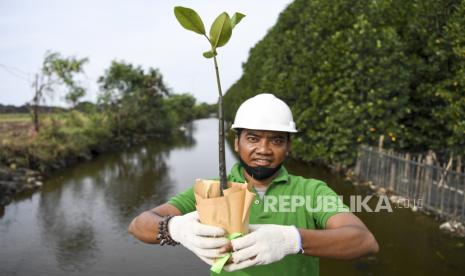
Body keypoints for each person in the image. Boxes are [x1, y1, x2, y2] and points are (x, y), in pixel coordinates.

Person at [128, 93, 379, 275]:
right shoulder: (212, 191)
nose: (263, 149)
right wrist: (174, 229)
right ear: (237, 143)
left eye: (277, 140)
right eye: (253, 138)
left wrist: (291, 240)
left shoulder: (311, 191)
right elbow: (138, 225)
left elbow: (364, 241)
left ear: (289, 147)